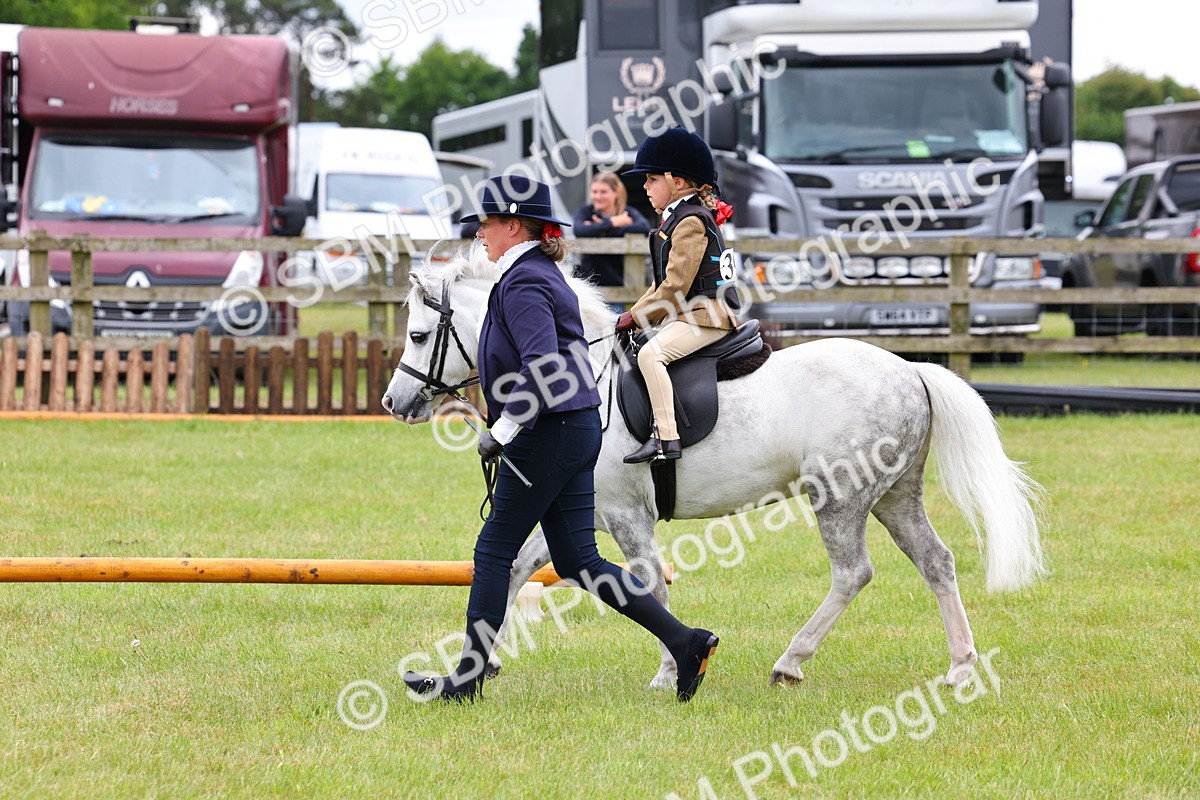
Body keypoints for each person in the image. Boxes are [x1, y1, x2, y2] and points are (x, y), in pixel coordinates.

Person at [402, 174, 719, 703]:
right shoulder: (540, 273)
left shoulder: (524, 282)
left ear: (511, 224)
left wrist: (501, 430)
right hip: (576, 426)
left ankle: (465, 679)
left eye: (485, 225)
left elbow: (545, 365)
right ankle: (685, 641)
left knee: (494, 551)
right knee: (577, 560)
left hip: (546, 433)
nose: (480, 235)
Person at [618, 127, 741, 464]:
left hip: (708, 314)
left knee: (650, 356)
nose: (644, 186)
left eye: (652, 179)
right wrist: (630, 315)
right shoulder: (674, 221)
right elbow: (661, 285)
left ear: (679, 183)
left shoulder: (689, 223)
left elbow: (674, 290)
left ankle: (666, 438)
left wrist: (635, 317)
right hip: (689, 313)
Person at [572, 172, 651, 289]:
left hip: (620, 284)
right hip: (589, 285)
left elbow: (643, 227)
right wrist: (614, 222)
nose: (598, 197)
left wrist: (599, 229)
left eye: (603, 192)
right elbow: (579, 230)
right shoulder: (586, 211)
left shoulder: (628, 212)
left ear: (616, 193)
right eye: (594, 192)